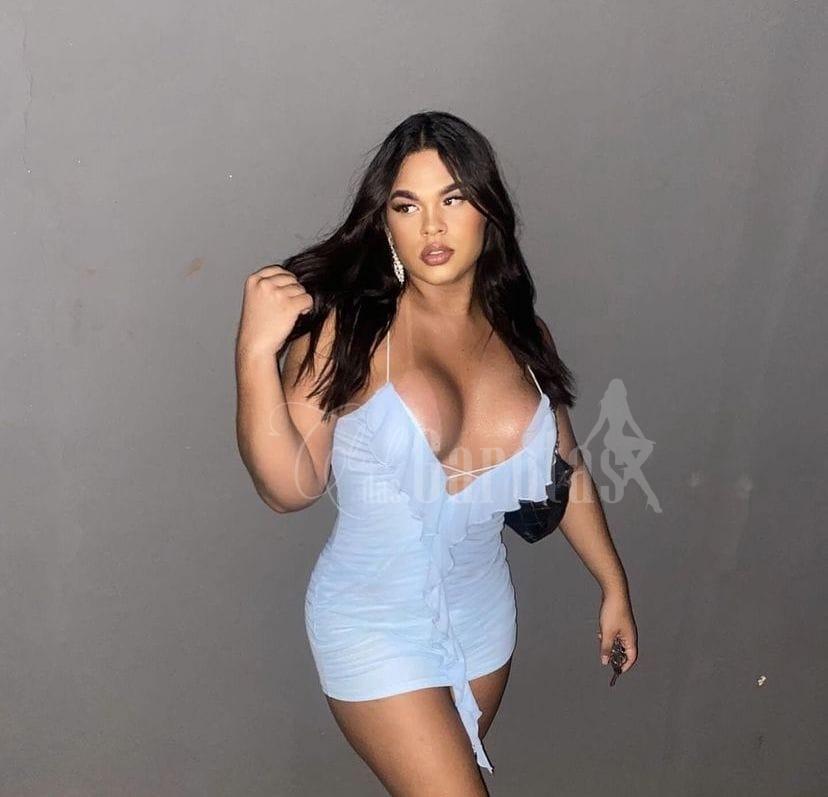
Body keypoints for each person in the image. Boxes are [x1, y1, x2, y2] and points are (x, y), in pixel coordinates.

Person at [235, 110, 638, 795]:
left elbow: (564, 471)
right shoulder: (350, 330)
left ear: (487, 211)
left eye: (452, 199)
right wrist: (253, 353)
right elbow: (286, 489)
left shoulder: (523, 333)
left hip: (483, 622)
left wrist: (613, 584)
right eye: (407, 205)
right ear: (385, 223)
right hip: (373, 622)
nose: (431, 226)